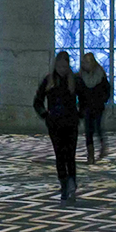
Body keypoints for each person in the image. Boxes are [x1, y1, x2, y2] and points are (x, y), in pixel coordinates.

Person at [34, 51, 82, 200]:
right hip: (55, 123)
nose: (62, 69)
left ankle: (72, 181)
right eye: (60, 66)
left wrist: (79, 114)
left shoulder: (74, 80)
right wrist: (45, 115)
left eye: (65, 66)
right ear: (56, 65)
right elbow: (37, 101)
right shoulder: (49, 81)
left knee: (70, 155)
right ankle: (64, 184)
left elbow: (84, 99)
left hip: (70, 122)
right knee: (60, 155)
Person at [77, 52, 112, 163]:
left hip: (97, 106)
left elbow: (107, 89)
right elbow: (79, 91)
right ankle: (90, 155)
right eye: (84, 62)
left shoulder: (100, 75)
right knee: (88, 130)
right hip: (86, 106)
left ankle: (102, 148)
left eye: (87, 62)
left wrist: (102, 99)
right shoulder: (81, 76)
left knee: (97, 127)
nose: (85, 64)